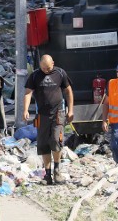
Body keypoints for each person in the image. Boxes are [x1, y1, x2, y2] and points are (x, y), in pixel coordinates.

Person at [23, 54, 74, 185]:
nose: (47, 70)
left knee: (56, 140)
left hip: (58, 113)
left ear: (53, 63)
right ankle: (47, 175)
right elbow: (28, 92)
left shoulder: (60, 73)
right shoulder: (34, 76)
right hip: (41, 115)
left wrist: (71, 110)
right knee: (43, 144)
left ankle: (57, 170)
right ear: (40, 65)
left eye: (49, 67)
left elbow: (68, 91)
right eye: (44, 68)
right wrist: (25, 109)